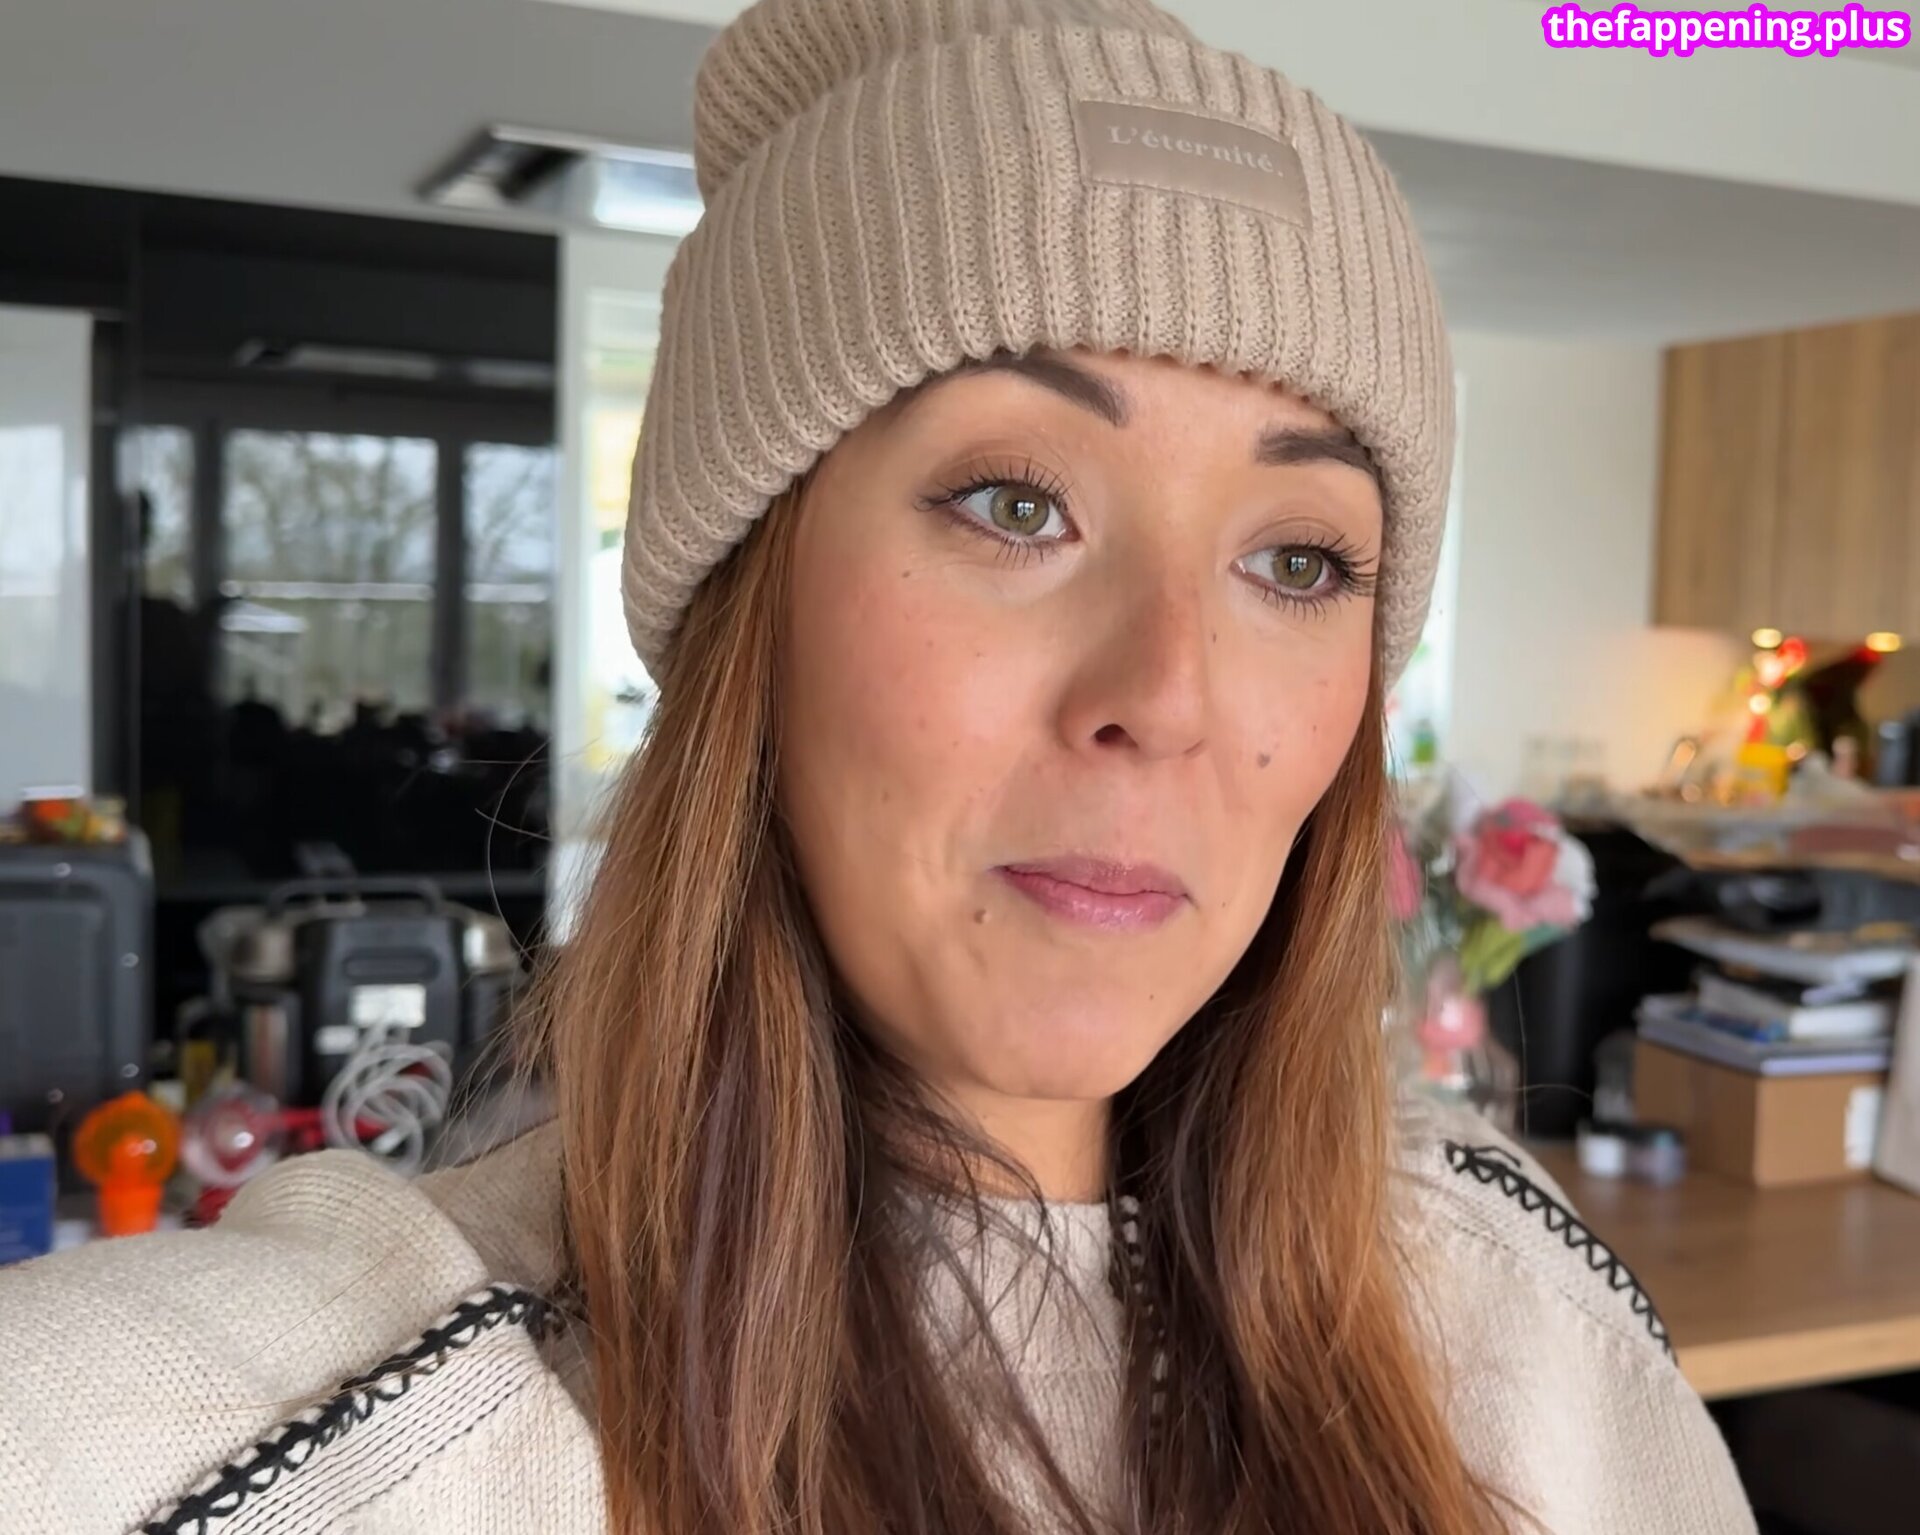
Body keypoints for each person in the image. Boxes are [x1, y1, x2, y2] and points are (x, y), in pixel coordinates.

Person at [0, 1, 1755, 1531]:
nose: (1169, 695)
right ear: (747, 611)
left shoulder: (1532, 1333)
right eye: (1016, 504)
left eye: (1298, 559)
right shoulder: (227, 1445)